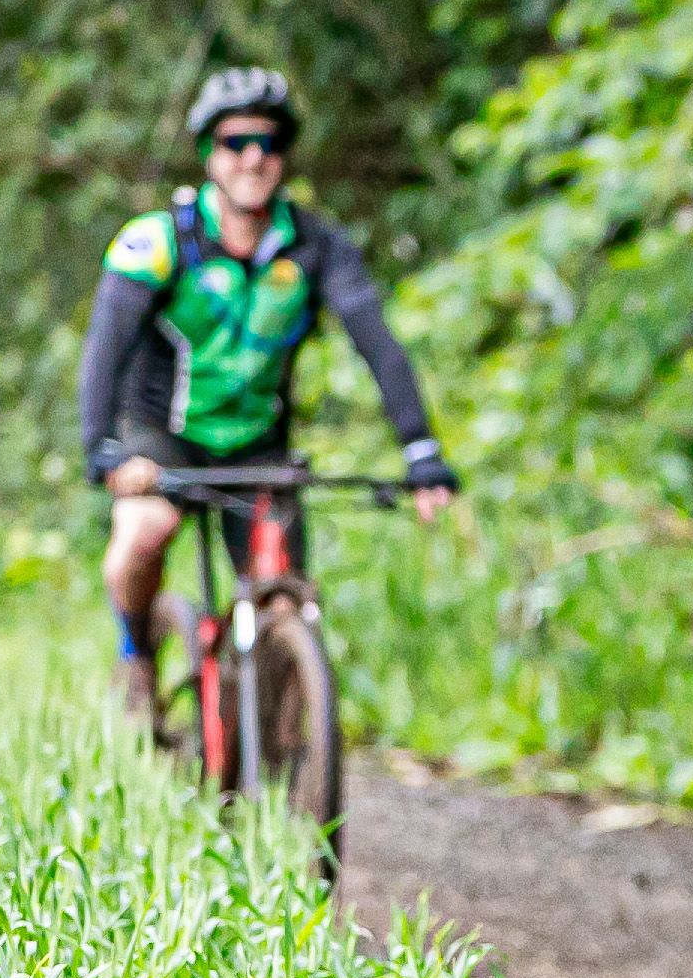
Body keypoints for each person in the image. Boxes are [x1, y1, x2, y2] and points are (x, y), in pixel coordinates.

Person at [80, 65, 459, 726]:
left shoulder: (316, 246)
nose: (253, 157)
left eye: (269, 142)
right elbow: (103, 350)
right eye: (235, 142)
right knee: (144, 531)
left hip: (258, 441)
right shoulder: (160, 242)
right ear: (209, 153)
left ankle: (280, 745)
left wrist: (420, 449)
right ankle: (135, 652)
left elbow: (378, 343)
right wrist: (103, 450)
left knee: (284, 601)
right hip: (161, 433)